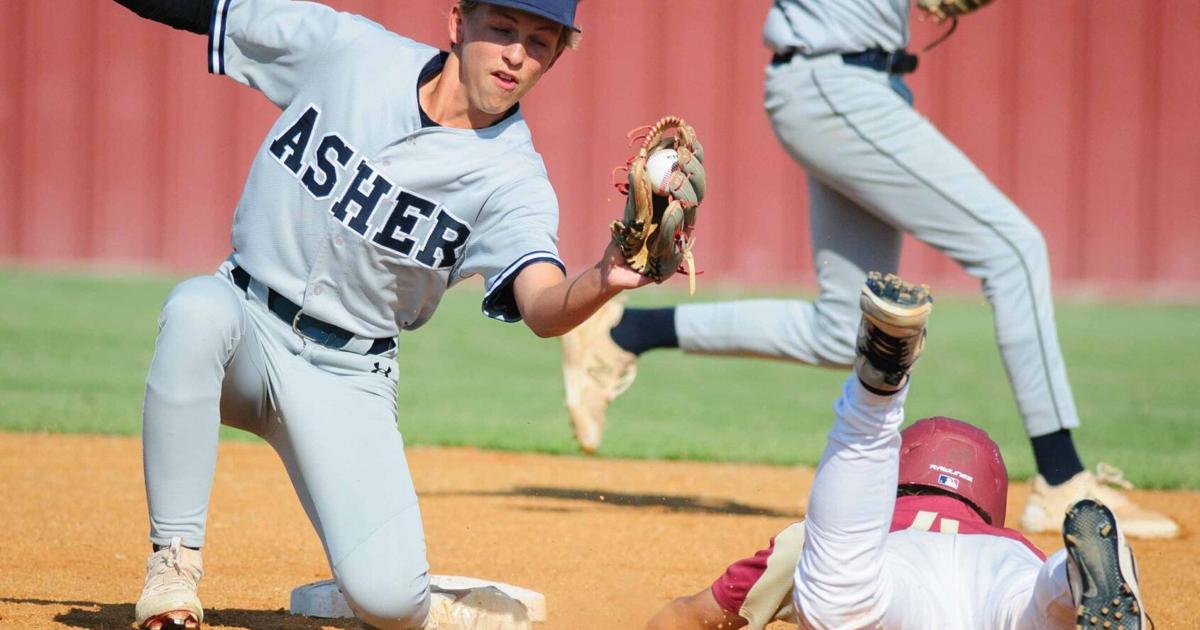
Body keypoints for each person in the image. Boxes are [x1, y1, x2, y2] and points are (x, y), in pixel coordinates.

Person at [111, 0, 700, 628]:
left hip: (347, 378)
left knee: (390, 603)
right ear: (458, 23)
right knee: (196, 309)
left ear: (554, 58)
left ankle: (411, 597)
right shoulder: (349, 52)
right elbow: (211, 10)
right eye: (502, 28)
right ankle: (173, 572)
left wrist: (605, 277)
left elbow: (543, 307)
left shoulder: (513, 179)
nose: (515, 54)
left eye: (538, 42)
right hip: (245, 327)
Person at [560, 0, 1177, 540]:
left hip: (857, 85)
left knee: (843, 331)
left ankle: (623, 333)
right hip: (836, 84)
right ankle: (1062, 477)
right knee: (1015, 250)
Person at [646, 272, 1150, 630]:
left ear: (894, 479)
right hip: (1003, 579)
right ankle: (1068, 578)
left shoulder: (849, 528)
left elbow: (691, 619)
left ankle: (876, 393)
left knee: (840, 600)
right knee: (1038, 607)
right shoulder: (1012, 544)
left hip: (893, 574)